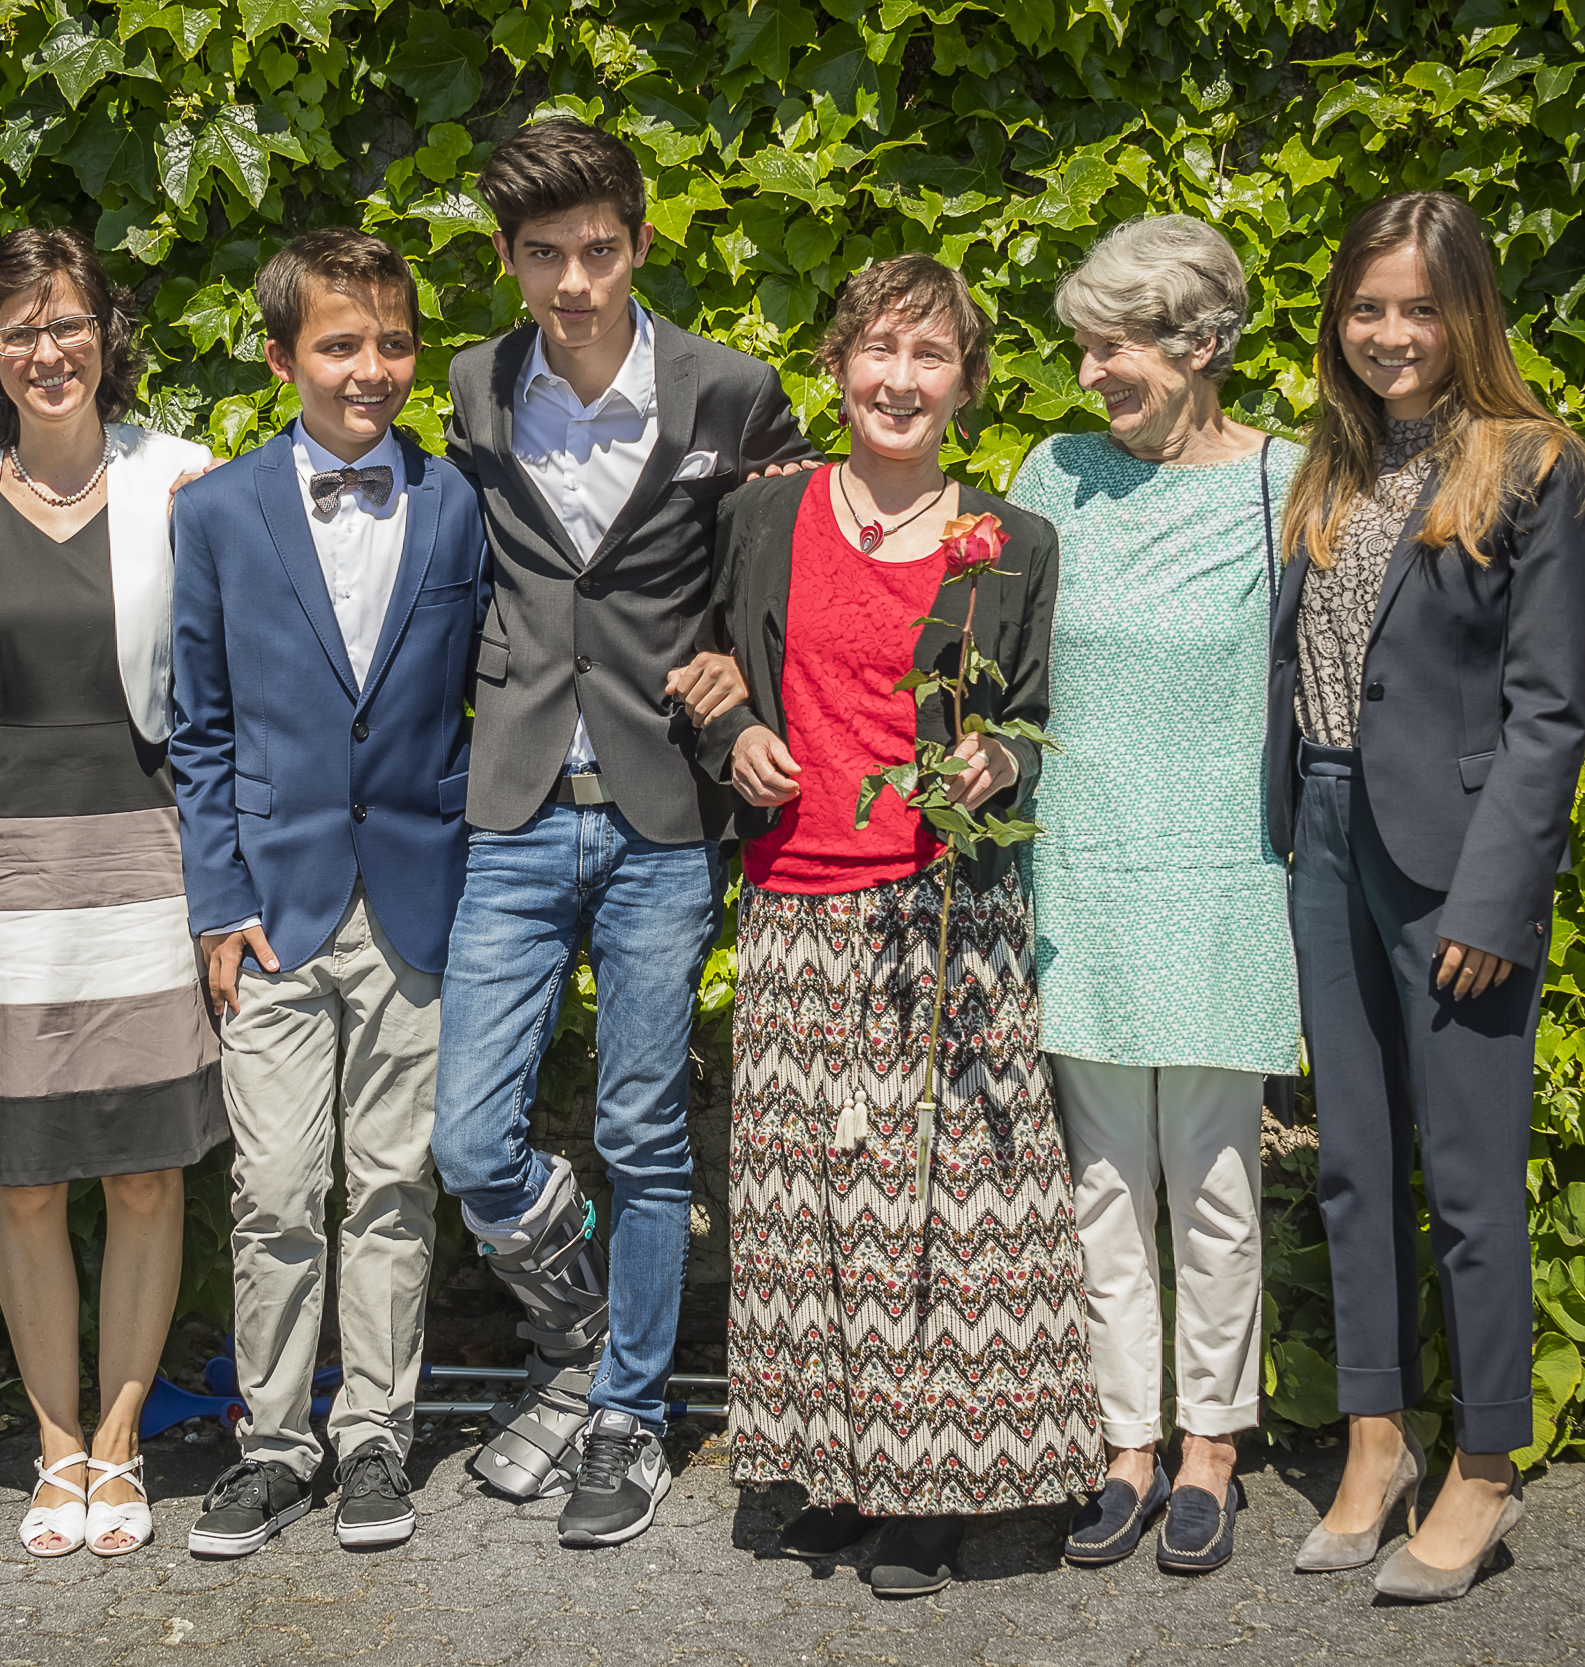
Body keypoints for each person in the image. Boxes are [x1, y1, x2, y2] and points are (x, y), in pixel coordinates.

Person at [428, 115, 815, 1549]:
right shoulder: (474, 387)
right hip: (516, 807)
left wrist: (740, 678)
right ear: (508, 259)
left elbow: (789, 571)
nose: (576, 283)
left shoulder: (731, 392)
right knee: (471, 1144)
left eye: (599, 250)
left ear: (641, 242)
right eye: (545, 256)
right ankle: (586, 1341)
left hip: (665, 812)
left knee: (646, 1132)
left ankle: (628, 1414)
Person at [697, 253, 1101, 1597]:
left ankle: (933, 1489)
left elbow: (1029, 713)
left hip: (941, 909)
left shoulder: (1012, 542)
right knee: (808, 1203)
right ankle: (838, 1470)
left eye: (931, 356)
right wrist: (733, 735)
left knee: (941, 1204)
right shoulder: (763, 514)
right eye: (879, 349)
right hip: (794, 898)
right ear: (837, 366)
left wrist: (1000, 760)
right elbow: (706, 663)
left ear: (966, 383)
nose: (900, 379)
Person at [1267, 192, 1585, 1602]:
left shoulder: (1535, 466)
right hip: (1326, 833)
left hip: (1457, 864)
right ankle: (1375, 1438)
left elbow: (1550, 708)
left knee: (1465, 1179)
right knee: (1352, 1163)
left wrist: (1494, 898)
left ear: (1467, 314)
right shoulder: (1331, 465)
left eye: (1417, 307)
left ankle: (1485, 1466)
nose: (1389, 333)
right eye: (1366, 306)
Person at [0, 226, 226, 1560]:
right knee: (22, 1177)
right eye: (18, 329)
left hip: (146, 848)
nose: (47, 350)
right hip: (0, 861)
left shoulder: (181, 480)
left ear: (106, 332)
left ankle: (123, 1443)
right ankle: (55, 1449)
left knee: (144, 1167)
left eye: (68, 321)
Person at [167, 228, 488, 1558]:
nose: (371, 369)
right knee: (277, 1189)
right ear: (279, 358)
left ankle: (374, 1439)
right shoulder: (215, 512)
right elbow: (199, 727)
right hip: (273, 913)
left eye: (393, 344)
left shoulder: (458, 504)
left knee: (396, 1185)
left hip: (419, 896)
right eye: (340, 344)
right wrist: (214, 899)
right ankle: (273, 1444)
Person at [1001, 215, 1301, 1576]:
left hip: (1226, 872)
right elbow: (994, 658)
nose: (1089, 375)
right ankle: (1126, 1444)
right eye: (1083, 347)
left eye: (1113, 347)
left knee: (1219, 1186)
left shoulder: (1287, 483)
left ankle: (1211, 1448)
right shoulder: (1051, 474)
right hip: (1080, 868)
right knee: (1101, 1184)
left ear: (1204, 343)